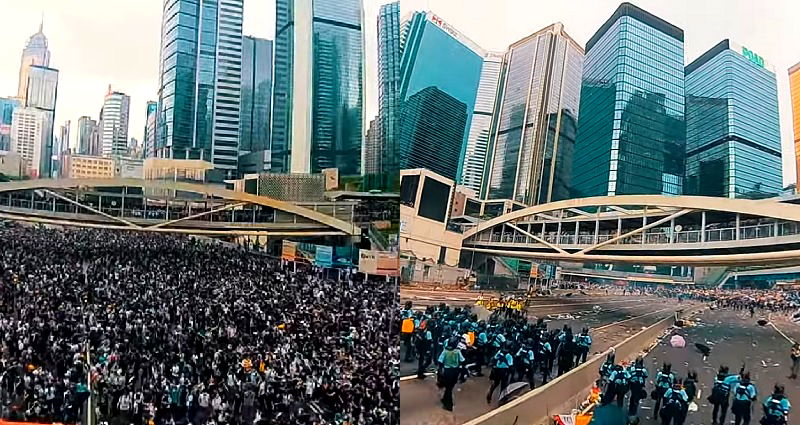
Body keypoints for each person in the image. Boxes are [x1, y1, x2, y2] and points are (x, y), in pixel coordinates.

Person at [437, 336, 465, 411]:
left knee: (448, 388)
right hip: (455, 372)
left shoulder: (445, 351)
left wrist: (440, 371)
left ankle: (448, 405)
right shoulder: (457, 351)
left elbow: (440, 361)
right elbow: (462, 360)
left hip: (447, 371)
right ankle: (445, 400)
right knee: (450, 388)